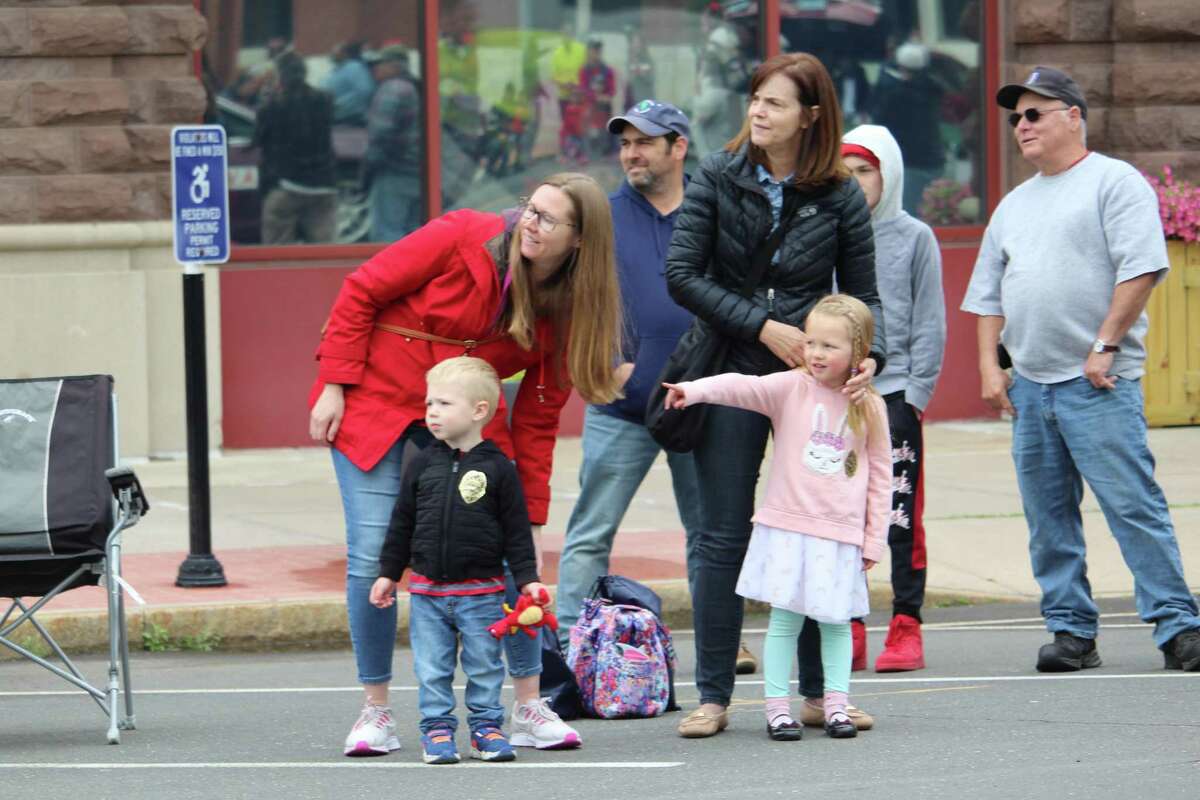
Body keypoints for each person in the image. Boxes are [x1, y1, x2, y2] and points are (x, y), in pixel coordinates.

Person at [310, 172, 623, 756]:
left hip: (470, 421)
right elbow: (362, 289)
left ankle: (529, 705)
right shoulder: (465, 234)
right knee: (372, 555)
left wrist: (528, 511)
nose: (531, 223)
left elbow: (538, 412)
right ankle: (375, 712)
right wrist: (335, 382)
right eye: (532, 209)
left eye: (549, 219)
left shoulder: (574, 301)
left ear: (580, 240)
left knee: (512, 557)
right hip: (375, 401)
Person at [665, 52, 886, 739]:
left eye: (776, 103)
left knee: (816, 529)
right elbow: (682, 274)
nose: (758, 112)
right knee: (722, 534)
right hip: (734, 368)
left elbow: (864, 296)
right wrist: (763, 325)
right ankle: (715, 695)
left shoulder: (841, 194)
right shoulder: (716, 176)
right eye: (756, 98)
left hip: (816, 386)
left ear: (810, 116)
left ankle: (820, 696)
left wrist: (870, 357)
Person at [961, 65, 1200, 673]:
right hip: (1032, 386)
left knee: (1131, 505)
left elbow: (1141, 268)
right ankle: (1071, 633)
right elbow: (988, 296)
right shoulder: (1013, 206)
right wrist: (990, 368)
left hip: (1097, 382)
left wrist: (1106, 344)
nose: (1022, 126)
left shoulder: (1114, 183)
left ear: (1073, 116)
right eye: (1016, 118)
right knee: (1048, 520)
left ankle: (1178, 627)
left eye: (1034, 113)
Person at [663, 294, 890, 740]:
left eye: (830, 346)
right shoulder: (790, 387)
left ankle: (835, 705)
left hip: (839, 535)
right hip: (788, 528)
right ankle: (777, 709)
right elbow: (742, 387)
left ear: (859, 355)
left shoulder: (871, 407)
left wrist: (873, 538)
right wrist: (694, 390)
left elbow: (882, 476)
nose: (817, 353)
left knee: (836, 622)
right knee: (785, 622)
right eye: (811, 343)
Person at [554, 100, 701, 641]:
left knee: (709, 534)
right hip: (620, 409)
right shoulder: (603, 218)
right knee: (591, 533)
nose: (630, 153)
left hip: (697, 404)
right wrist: (599, 365)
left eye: (644, 142)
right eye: (624, 143)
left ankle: (721, 637)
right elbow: (563, 298)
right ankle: (571, 644)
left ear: (677, 147)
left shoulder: (709, 212)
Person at [369, 357, 546, 764]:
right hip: (428, 592)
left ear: (479, 411)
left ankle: (486, 730)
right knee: (432, 668)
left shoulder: (499, 468)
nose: (432, 412)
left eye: (444, 404)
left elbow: (517, 532)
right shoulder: (421, 464)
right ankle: (437, 731)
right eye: (429, 403)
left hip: (481, 591)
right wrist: (387, 574)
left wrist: (528, 580)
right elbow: (401, 525)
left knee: (484, 666)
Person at [842, 124, 945, 672]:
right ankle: (850, 623)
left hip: (896, 393)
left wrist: (918, 395)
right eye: (846, 173)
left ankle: (906, 623)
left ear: (889, 175)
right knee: (843, 514)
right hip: (839, 399)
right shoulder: (830, 232)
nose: (855, 183)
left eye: (865, 171)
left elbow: (930, 320)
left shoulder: (914, 237)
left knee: (899, 512)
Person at [252, 51, 337, 245]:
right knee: (323, 252)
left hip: (285, 184)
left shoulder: (273, 105)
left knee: (278, 254)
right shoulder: (325, 100)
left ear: (280, 75)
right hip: (323, 184)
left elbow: (258, 139)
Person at [870, 42, 945, 216]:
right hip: (932, 157)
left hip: (908, 159)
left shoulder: (895, 92)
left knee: (908, 210)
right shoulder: (932, 88)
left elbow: (878, 115)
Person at [363, 44, 422, 242]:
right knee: (414, 233)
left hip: (395, 171)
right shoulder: (417, 86)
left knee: (387, 233)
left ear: (394, 66)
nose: (375, 69)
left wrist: (368, 171)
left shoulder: (392, 88)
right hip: (419, 172)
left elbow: (380, 134)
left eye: (379, 64)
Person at [579, 39, 616, 160]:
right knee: (588, 131)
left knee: (604, 131)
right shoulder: (584, 70)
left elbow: (612, 89)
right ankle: (587, 153)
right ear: (589, 52)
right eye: (593, 51)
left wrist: (607, 97)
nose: (595, 54)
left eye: (598, 51)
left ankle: (605, 153)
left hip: (603, 107)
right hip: (590, 106)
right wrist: (595, 97)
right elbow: (583, 88)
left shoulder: (607, 70)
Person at [322, 41, 375, 126]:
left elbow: (365, 91)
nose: (331, 54)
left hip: (350, 119)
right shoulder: (338, 69)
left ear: (345, 53)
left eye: (334, 52)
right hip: (336, 117)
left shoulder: (354, 67)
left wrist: (338, 104)